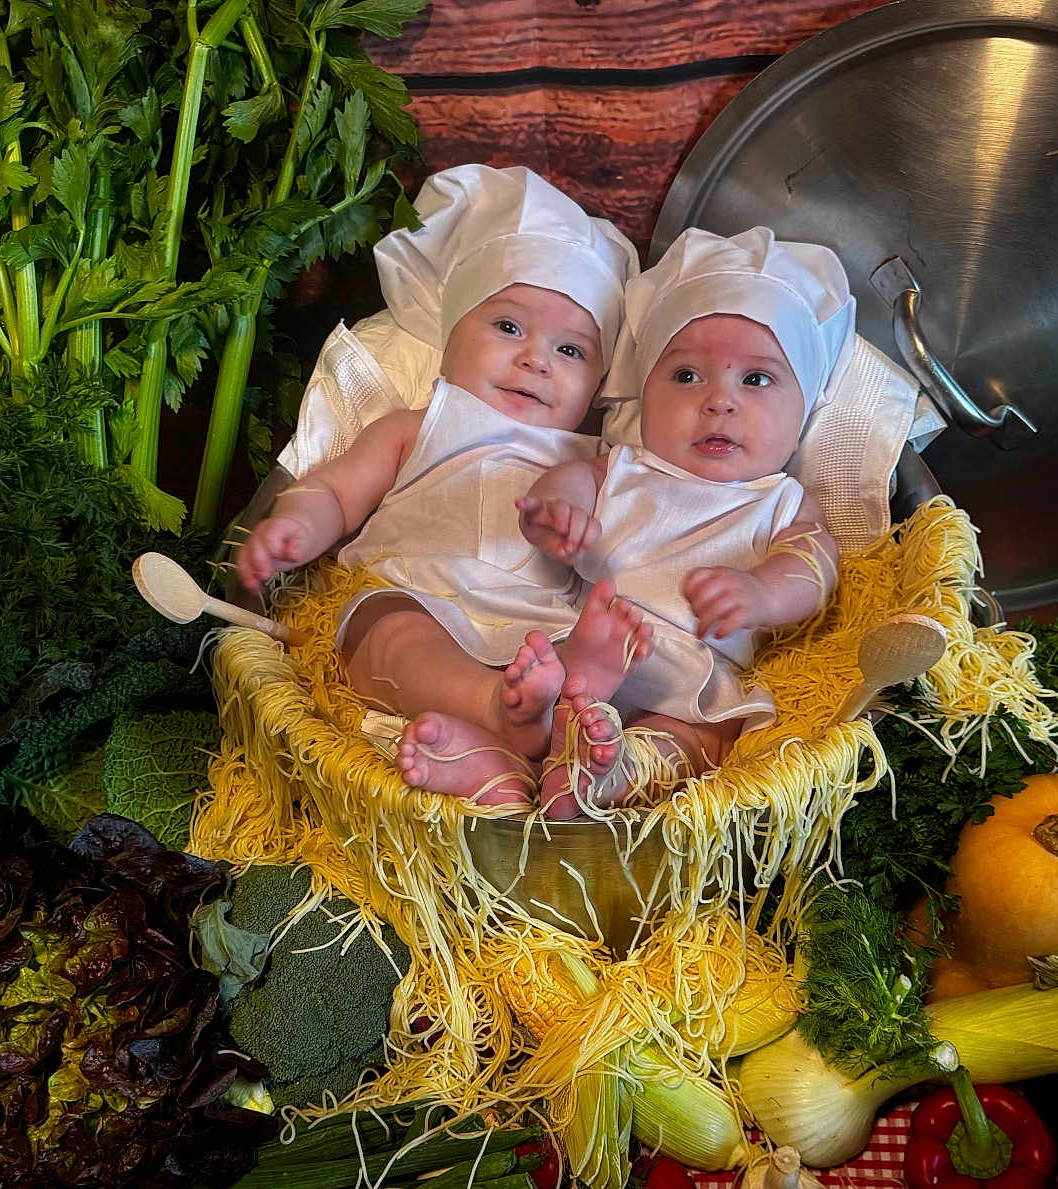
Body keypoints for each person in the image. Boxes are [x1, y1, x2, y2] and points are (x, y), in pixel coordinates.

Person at [235, 165, 645, 809]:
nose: (536, 358)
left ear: (596, 386)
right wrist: (294, 524)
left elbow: (617, 528)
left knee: (601, 644)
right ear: (451, 335)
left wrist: (577, 519)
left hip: (541, 627)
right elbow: (338, 492)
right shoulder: (416, 427)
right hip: (422, 598)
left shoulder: (592, 459)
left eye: (571, 352)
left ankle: (524, 743)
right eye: (508, 327)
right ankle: (498, 718)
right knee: (381, 635)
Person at [517, 227, 852, 818]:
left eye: (756, 380)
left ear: (802, 409)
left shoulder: (778, 500)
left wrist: (760, 591)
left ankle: (613, 768)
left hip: (691, 672)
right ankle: (525, 742)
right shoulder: (623, 468)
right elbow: (567, 485)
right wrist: (556, 512)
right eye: (687, 376)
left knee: (703, 739)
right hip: (587, 637)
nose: (719, 400)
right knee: (523, 681)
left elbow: (813, 566)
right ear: (644, 395)